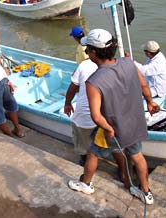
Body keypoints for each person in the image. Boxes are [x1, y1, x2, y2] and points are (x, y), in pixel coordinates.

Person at [67, 29, 160, 205]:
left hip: (113, 128)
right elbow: (144, 85)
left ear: (94, 52)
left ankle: (86, 184)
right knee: (138, 156)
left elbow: (96, 116)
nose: (87, 53)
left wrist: (109, 129)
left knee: (93, 154)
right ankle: (146, 193)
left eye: (88, 50)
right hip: (134, 123)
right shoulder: (128, 63)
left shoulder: (93, 81)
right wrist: (150, 102)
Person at [64, 46, 97, 166]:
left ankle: (85, 163)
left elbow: (72, 89)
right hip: (104, 118)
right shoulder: (115, 66)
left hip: (85, 119)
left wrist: (67, 103)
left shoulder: (84, 65)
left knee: (85, 150)